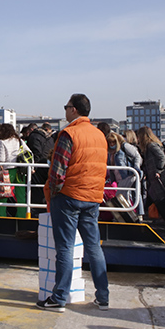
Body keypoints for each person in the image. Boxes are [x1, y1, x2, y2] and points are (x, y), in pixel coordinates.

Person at [37, 93, 109, 312]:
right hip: (93, 197)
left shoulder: (69, 133)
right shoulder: (99, 136)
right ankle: (103, 297)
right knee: (93, 247)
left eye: (67, 106)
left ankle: (59, 298)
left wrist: (54, 193)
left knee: (65, 248)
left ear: (74, 110)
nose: (65, 110)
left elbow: (57, 171)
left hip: (69, 197)